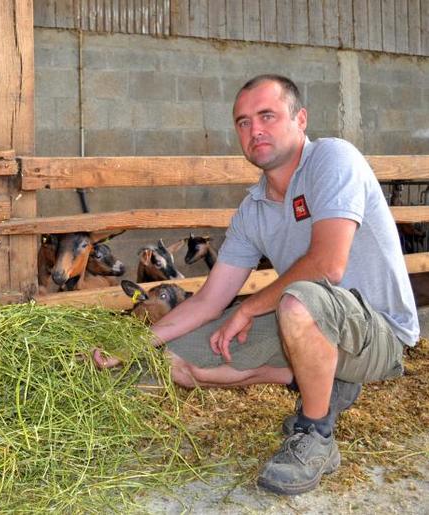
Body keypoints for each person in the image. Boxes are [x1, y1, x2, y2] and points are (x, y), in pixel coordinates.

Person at [94, 74, 418, 495]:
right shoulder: (253, 210)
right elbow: (210, 299)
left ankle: (315, 435)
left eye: (267, 115)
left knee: (297, 302)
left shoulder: (333, 159)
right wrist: (133, 347)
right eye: (243, 122)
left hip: (379, 332)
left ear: (300, 119)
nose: (255, 130)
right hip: (312, 321)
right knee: (182, 364)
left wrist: (248, 309)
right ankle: (319, 375)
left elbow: (328, 265)